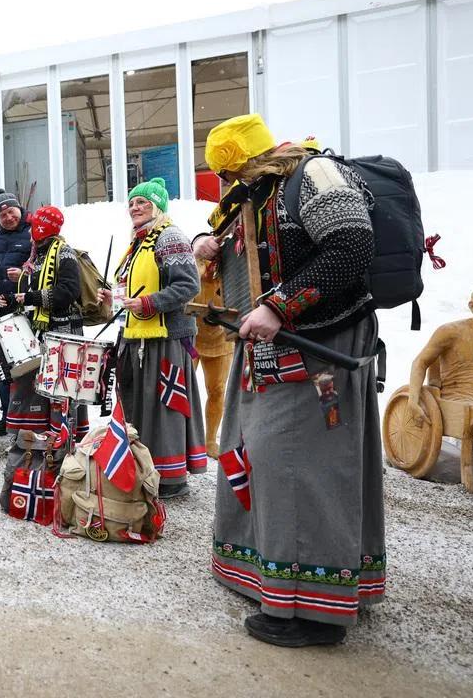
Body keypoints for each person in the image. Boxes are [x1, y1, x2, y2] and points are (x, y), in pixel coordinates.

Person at [198, 113, 385, 647]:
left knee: (306, 466)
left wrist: (279, 307)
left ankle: (315, 613)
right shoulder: (254, 196)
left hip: (319, 347)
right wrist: (206, 244)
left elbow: (351, 247)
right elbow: (237, 253)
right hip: (269, 349)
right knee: (263, 460)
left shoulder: (316, 174)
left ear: (247, 159)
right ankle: (273, 577)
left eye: (229, 173)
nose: (228, 186)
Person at [102, 177, 204, 498]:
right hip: (137, 336)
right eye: (131, 203)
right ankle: (144, 471)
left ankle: (171, 478)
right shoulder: (137, 244)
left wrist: (148, 303)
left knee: (164, 407)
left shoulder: (170, 237)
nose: (134, 207)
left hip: (166, 339)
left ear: (158, 206)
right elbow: (133, 290)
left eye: (142, 202)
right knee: (140, 407)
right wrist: (114, 298)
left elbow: (188, 285)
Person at [0, 205, 88, 510]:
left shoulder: (63, 253)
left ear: (45, 226)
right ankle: (40, 450)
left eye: (36, 223)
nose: (32, 227)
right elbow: (32, 290)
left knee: (61, 396)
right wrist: (12, 296)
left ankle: (65, 452)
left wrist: (31, 297)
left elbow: (68, 291)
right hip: (43, 334)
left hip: (64, 335)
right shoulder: (37, 254)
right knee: (44, 394)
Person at [406, 286, 473, 490]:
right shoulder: (451, 331)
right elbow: (420, 362)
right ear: (471, 306)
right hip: (459, 399)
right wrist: (413, 400)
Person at [0, 189, 32, 436]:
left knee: (27, 365)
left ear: (19, 209)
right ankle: (7, 415)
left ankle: (28, 415)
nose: (8, 217)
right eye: (2, 215)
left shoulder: (34, 233)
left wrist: (24, 276)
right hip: (1, 307)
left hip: (27, 307)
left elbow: (43, 268)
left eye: (10, 211)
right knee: (1, 364)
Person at [192, 256, 234, 459]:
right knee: (183, 389)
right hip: (191, 336)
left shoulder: (232, 262)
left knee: (217, 390)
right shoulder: (196, 259)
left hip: (221, 338)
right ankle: (185, 438)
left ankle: (210, 440)